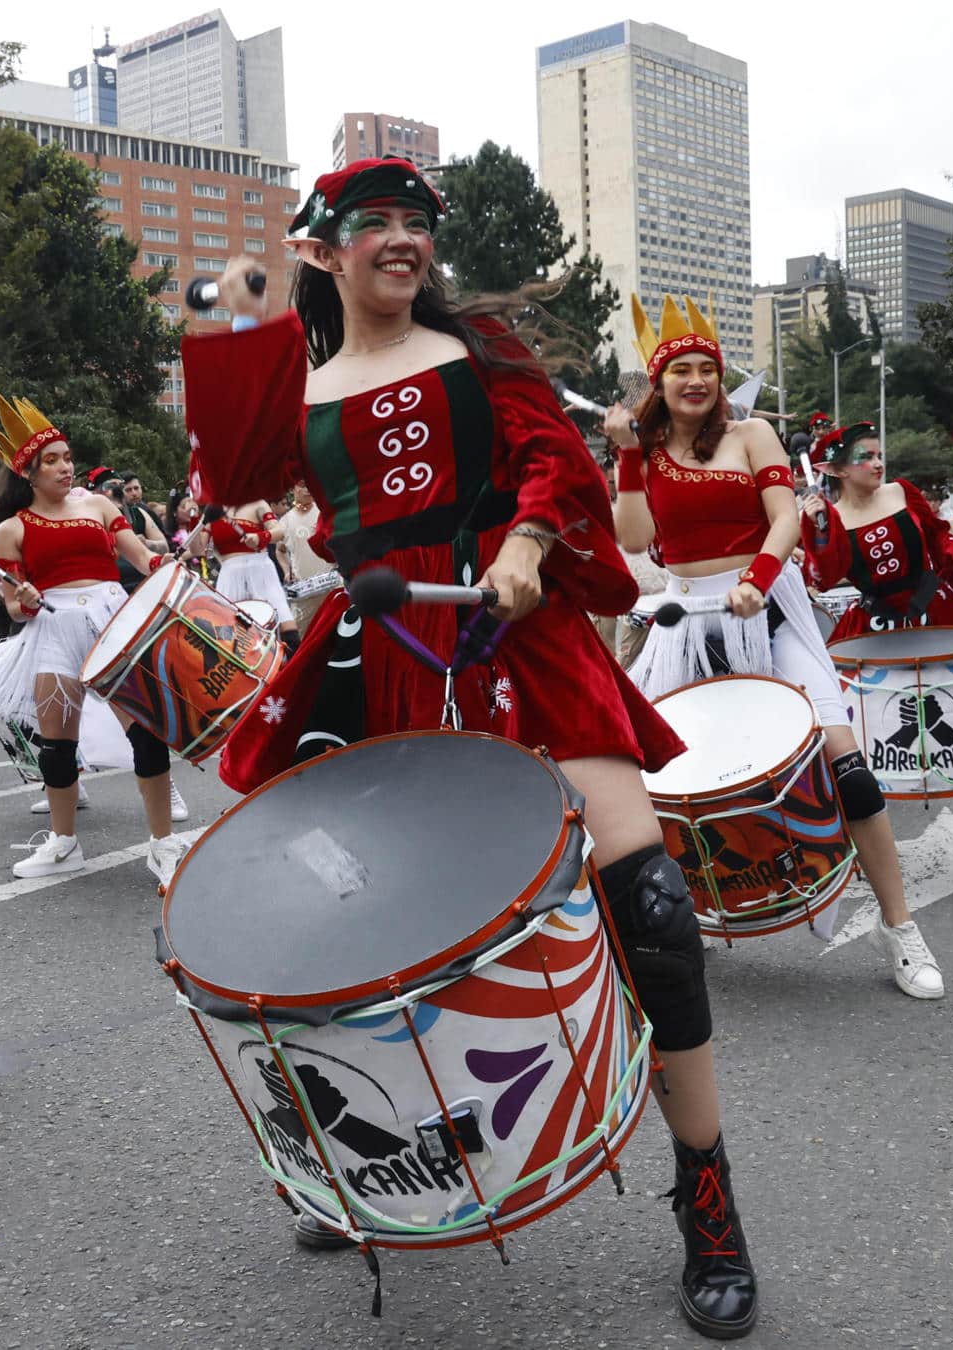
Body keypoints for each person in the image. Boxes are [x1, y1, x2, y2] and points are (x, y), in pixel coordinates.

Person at [188, 158, 757, 1339]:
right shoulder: (299, 385)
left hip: (523, 638)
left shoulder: (479, 351)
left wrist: (531, 546)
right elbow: (231, 475)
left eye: (415, 224)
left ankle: (707, 1196)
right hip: (379, 660)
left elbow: (554, 458)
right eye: (372, 224)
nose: (400, 240)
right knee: (358, 935)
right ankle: (371, 1178)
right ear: (325, 249)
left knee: (648, 903)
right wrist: (240, 301)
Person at [606, 304, 948, 1000]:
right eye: (681, 370)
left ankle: (899, 925)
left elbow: (785, 516)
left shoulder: (753, 432)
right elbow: (635, 540)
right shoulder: (648, 449)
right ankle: (675, 923)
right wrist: (628, 454)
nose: (697, 380)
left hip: (769, 610)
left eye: (707, 368)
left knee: (846, 765)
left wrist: (760, 581)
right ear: (659, 381)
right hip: (687, 616)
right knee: (645, 779)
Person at [0, 396, 188, 886]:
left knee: (145, 733)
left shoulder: (100, 504)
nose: (65, 467)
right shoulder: (11, 528)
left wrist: (166, 564)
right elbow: (17, 607)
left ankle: (163, 844)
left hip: (110, 621)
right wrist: (26, 600)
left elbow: (144, 558)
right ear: (29, 474)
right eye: (52, 460)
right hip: (53, 631)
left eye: (66, 457)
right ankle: (65, 843)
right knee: (57, 745)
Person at [798, 424, 953, 879]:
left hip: (934, 616)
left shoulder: (902, 492)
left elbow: (940, 537)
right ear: (838, 470)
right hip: (872, 628)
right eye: (866, 457)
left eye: (879, 454)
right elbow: (825, 576)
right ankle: (860, 844)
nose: (878, 463)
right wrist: (817, 528)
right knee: (860, 740)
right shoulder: (828, 515)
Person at [211, 499, 299, 652]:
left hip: (261, 570)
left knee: (287, 629)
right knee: (225, 636)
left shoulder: (258, 503)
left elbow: (279, 531)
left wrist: (261, 537)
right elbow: (197, 548)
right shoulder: (213, 509)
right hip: (230, 576)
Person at [276, 482, 335, 632]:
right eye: (302, 486)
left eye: (309, 484)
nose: (307, 489)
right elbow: (280, 551)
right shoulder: (285, 521)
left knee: (337, 628)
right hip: (304, 590)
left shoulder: (325, 512)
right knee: (304, 633)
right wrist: (287, 571)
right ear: (293, 488)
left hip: (332, 584)